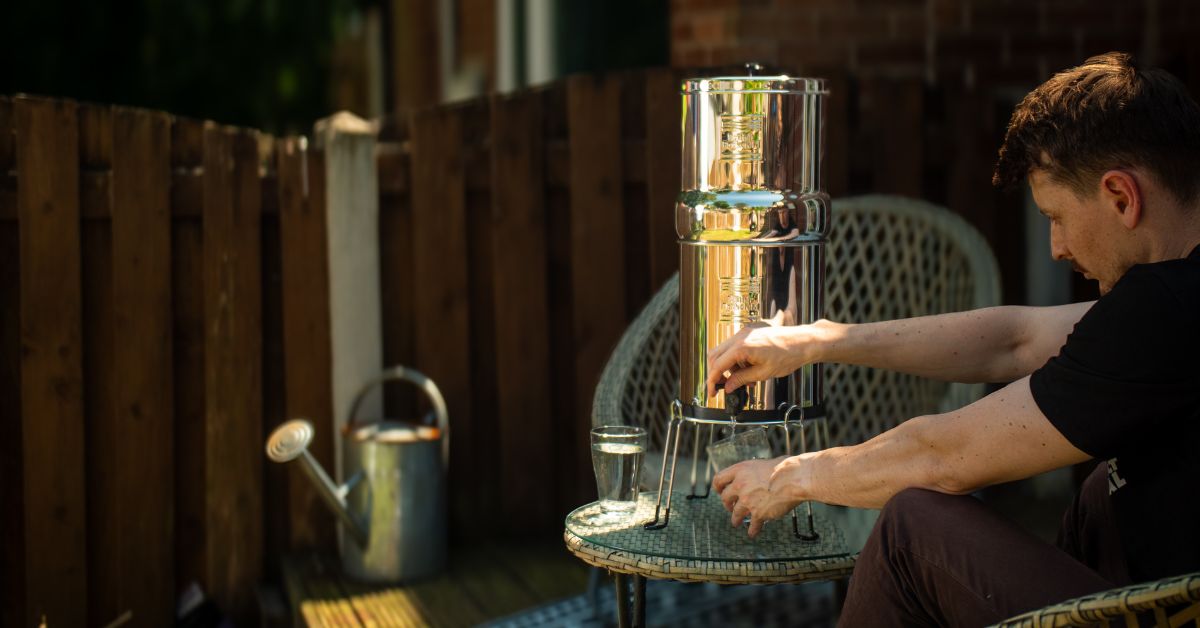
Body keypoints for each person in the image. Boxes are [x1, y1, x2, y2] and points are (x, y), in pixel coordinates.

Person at [705, 51, 1200, 626]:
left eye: (1056, 216)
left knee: (913, 530)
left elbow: (942, 457)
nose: (1056, 248)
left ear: (1121, 196)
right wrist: (815, 341)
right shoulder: (1177, 298)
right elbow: (1015, 340)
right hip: (1162, 592)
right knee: (1103, 491)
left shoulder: (1165, 306)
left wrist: (790, 478)